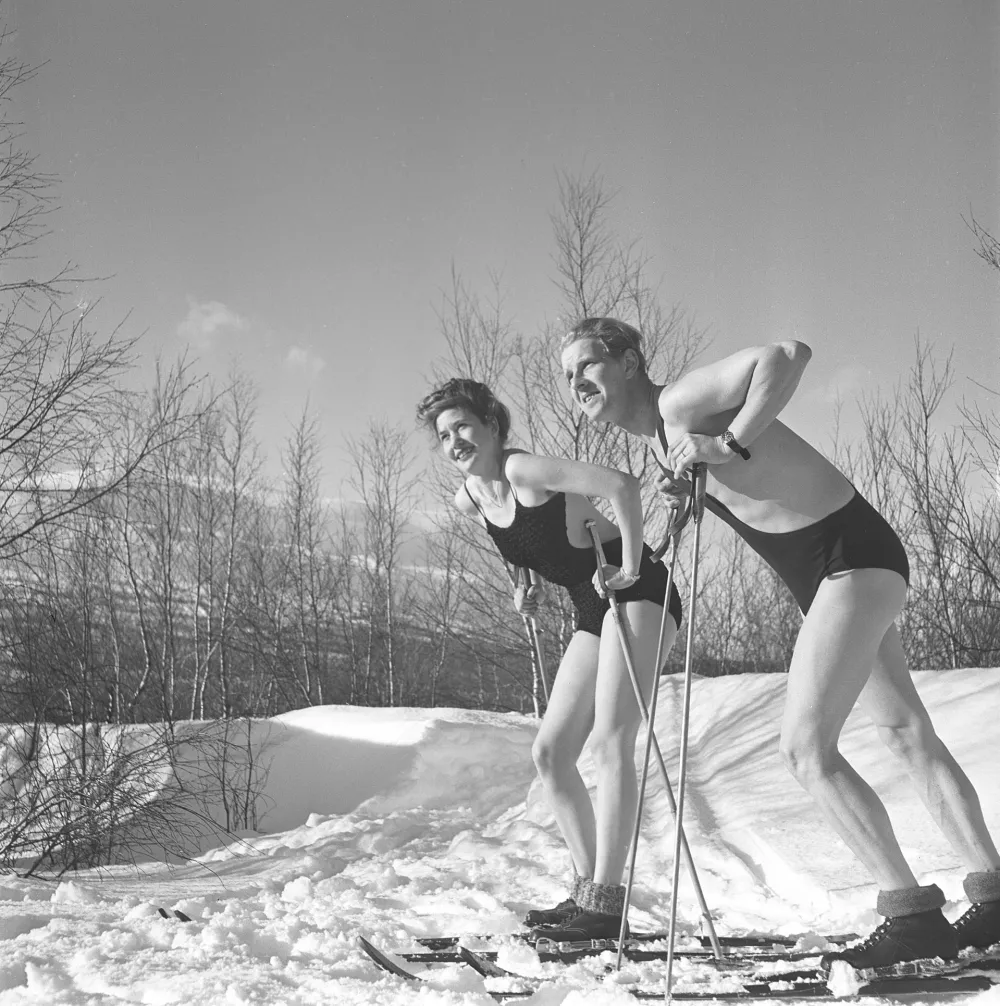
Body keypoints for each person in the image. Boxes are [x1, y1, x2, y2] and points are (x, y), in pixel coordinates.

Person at [558, 317, 1000, 970]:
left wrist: (726, 443)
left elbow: (788, 355)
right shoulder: (664, 441)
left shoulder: (679, 402)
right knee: (905, 732)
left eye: (587, 365)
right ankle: (994, 896)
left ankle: (911, 917)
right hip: (843, 568)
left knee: (805, 749)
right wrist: (671, 513)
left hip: (847, 560)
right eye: (567, 375)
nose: (576, 382)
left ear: (627, 362)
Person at [415, 377, 683, 942]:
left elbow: (622, 484)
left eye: (463, 426)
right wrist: (524, 584)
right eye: (443, 435)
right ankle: (587, 893)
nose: (454, 441)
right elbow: (522, 541)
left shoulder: (523, 471)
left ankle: (606, 906)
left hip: (638, 593)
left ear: (492, 425)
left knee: (611, 742)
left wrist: (631, 566)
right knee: (551, 754)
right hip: (591, 606)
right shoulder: (470, 498)